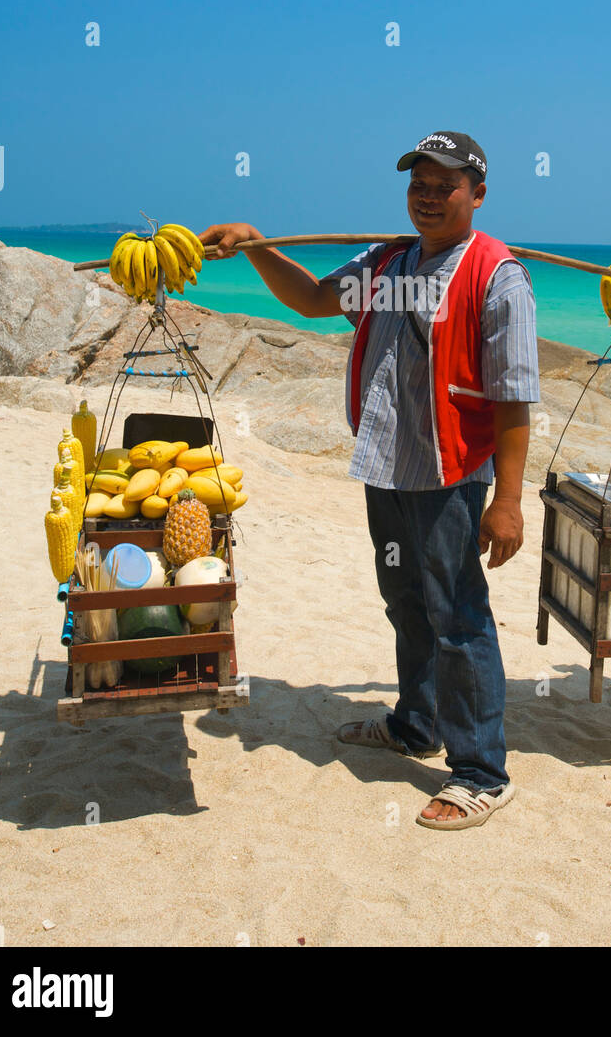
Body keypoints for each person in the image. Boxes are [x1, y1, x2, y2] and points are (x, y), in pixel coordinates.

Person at [200, 131, 540, 830]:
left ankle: (480, 771)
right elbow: (311, 301)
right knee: (405, 601)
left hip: (448, 472)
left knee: (457, 617)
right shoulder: (386, 262)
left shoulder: (494, 274)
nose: (428, 193)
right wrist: (259, 245)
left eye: (445, 183)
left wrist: (506, 501)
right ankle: (416, 725)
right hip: (386, 464)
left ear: (476, 194)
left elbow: (513, 395)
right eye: (418, 180)